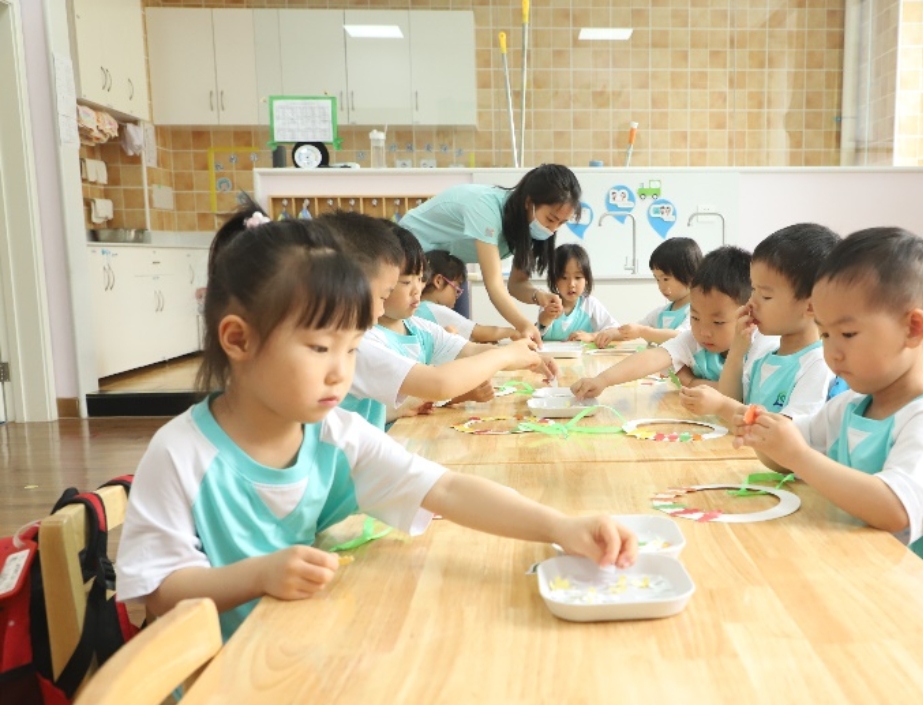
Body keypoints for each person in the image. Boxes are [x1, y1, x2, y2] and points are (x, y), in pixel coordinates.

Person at [114, 208, 637, 640]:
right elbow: (158, 592)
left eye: (352, 349)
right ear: (238, 339)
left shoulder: (333, 433)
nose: (341, 372)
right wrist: (259, 576)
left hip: (300, 649)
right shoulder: (180, 451)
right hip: (221, 689)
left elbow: (447, 489)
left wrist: (560, 527)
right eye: (320, 348)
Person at [733, 227, 923, 573]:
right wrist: (764, 434)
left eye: (848, 333)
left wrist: (797, 455)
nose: (832, 352)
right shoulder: (849, 407)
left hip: (899, 592)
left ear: (913, 329)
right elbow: (784, 459)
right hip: (843, 569)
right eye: (825, 334)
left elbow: (895, 509)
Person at [326, 217, 552, 427]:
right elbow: (439, 384)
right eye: (402, 283)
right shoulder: (359, 343)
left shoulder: (416, 327)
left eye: (420, 279)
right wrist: (507, 355)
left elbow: (468, 352)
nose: (417, 289)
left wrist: (525, 357)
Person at [398, 164, 581, 344]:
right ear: (529, 202)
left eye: (561, 223)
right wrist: (524, 325)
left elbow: (516, 284)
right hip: (411, 254)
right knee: (424, 335)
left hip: (448, 267)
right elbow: (494, 285)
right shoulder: (486, 208)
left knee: (458, 336)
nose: (552, 229)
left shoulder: (528, 228)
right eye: (551, 219)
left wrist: (538, 295)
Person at [681, 224, 839, 423]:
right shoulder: (765, 357)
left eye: (765, 296)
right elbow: (733, 403)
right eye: (753, 290)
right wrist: (737, 350)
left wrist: (722, 406)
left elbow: (785, 432)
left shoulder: (817, 364)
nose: (751, 302)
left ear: (811, 307)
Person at [570, 246, 772, 397]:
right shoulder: (693, 340)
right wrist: (602, 380)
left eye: (718, 322)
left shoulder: (762, 348)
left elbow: (738, 397)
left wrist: (692, 382)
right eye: (695, 317)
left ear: (748, 315)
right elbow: (651, 358)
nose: (704, 331)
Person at [596, 237, 702, 347]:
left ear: (690, 275)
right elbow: (634, 329)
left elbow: (681, 337)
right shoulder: (662, 312)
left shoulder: (697, 311)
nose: (661, 286)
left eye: (666, 279)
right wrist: (612, 333)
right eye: (657, 279)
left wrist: (642, 332)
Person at [418, 250, 521, 343]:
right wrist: (511, 332)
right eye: (456, 288)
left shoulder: (417, 309)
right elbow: (481, 332)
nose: (457, 296)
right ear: (439, 281)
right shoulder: (435, 310)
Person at [538, 244, 619, 344]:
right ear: (554, 280)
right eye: (564, 278)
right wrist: (547, 316)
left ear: (586, 279)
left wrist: (592, 336)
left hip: (583, 354)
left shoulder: (590, 304)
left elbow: (615, 331)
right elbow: (539, 331)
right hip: (551, 354)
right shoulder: (549, 302)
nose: (571, 284)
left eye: (578, 277)